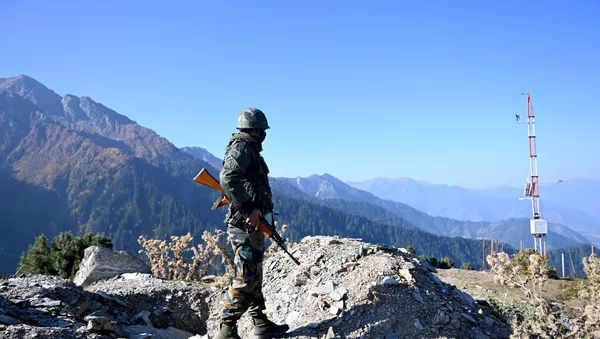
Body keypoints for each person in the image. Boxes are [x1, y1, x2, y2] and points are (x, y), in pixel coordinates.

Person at [215, 108, 290, 339]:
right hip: (244, 225)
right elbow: (227, 178)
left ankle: (260, 322)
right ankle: (226, 329)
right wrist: (249, 209)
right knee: (246, 277)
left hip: (252, 223)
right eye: (263, 130)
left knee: (255, 275)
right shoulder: (243, 148)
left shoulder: (247, 148)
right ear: (257, 130)